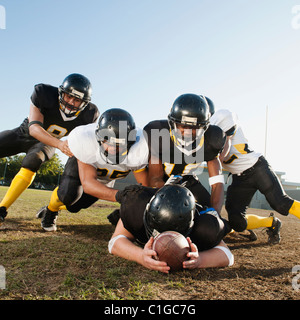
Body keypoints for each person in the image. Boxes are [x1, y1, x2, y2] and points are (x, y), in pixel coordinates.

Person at [0, 73, 99, 224]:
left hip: (46, 144)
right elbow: (33, 129)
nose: (71, 102)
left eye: (77, 100)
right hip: (23, 134)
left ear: (84, 103)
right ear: (61, 93)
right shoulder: (43, 93)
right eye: (68, 96)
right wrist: (60, 145)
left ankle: (2, 208)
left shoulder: (89, 114)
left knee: (33, 160)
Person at [37, 108, 149, 231]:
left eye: (119, 144)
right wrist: (123, 197)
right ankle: (51, 210)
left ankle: (56, 207)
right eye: (108, 141)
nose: (113, 148)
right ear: (99, 136)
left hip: (105, 180)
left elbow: (145, 188)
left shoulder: (139, 148)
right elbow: (88, 184)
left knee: (76, 207)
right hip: (84, 168)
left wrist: (130, 208)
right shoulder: (85, 139)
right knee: (68, 195)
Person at [210, 107, 300, 244]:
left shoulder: (221, 117)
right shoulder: (198, 135)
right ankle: (272, 222)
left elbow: (223, 150)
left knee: (281, 203)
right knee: (237, 221)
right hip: (239, 178)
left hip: (257, 167)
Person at [109, 184, 233, 273]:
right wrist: (140, 256)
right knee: (125, 217)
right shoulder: (137, 206)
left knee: (225, 226)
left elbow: (227, 255)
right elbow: (115, 242)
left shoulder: (204, 226)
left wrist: (200, 260)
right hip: (151, 194)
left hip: (199, 205)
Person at [143, 93, 226, 215]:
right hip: (164, 181)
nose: (188, 131)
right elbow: (155, 179)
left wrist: (216, 214)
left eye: (195, 127)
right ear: (172, 122)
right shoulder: (158, 134)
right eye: (184, 125)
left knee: (209, 217)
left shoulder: (212, 140)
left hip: (189, 181)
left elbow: (217, 183)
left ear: (205, 127)